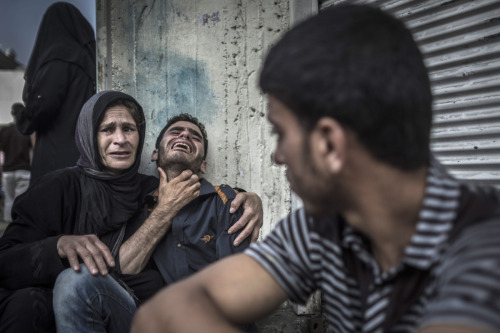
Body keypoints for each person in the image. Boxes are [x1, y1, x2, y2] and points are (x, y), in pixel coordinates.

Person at [131, 4, 500, 333]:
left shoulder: (484, 245)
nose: (277, 156)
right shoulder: (323, 228)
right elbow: (163, 313)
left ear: (329, 144)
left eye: (281, 134)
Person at [0, 91, 262, 333]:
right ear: (88, 135)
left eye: (128, 129)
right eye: (107, 130)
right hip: (69, 306)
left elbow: (196, 196)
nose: (120, 140)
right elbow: (8, 259)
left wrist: (246, 198)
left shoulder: (151, 191)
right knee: (71, 283)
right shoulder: (59, 187)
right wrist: (57, 245)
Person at [16, 2, 96, 185]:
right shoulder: (88, 63)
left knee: (51, 206)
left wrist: (22, 115)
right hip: (83, 154)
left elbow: (44, 105)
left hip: (55, 157)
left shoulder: (59, 58)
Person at [0, 103, 31, 222]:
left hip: (8, 170)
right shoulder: (26, 131)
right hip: (24, 170)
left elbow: (1, 152)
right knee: (21, 202)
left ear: (12, 113)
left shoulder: (5, 131)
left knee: (9, 200)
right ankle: (19, 226)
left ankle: (8, 229)